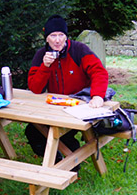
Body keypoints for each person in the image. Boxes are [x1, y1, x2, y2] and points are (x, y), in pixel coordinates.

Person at [25, 14, 109, 159]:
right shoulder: (41, 55)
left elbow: (99, 72)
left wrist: (97, 96)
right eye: (53, 35)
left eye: (61, 35)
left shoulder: (79, 50)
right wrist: (45, 66)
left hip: (79, 105)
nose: (57, 40)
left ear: (66, 37)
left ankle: (73, 167)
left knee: (64, 136)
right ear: (46, 38)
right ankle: (56, 160)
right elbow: (35, 88)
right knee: (32, 132)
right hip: (55, 106)